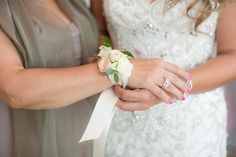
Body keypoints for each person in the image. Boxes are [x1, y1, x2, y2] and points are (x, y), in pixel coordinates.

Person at [0, 0, 191, 157]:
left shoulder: (71, 3)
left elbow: (99, 35)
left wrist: (109, 57)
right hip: (47, 130)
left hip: (98, 119)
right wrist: (121, 69)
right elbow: (14, 90)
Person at [91, 0, 236, 156]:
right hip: (121, 111)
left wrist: (168, 88)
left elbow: (232, 55)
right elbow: (101, 31)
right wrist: (107, 59)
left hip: (191, 120)